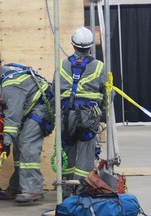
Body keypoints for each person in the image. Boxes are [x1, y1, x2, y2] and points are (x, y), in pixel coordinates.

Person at [0, 50, 54, 203]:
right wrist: (10, 141)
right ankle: (17, 186)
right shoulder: (9, 72)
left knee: (27, 145)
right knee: (19, 147)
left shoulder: (10, 84)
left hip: (40, 111)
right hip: (33, 109)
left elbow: (13, 115)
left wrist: (6, 142)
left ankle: (33, 190)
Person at [57, 27, 107, 198]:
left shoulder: (62, 65)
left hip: (66, 117)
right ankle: (82, 191)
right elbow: (107, 93)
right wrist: (104, 115)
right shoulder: (100, 67)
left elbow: (54, 91)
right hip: (88, 116)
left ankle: (64, 191)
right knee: (86, 152)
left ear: (73, 45)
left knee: (67, 151)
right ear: (91, 46)